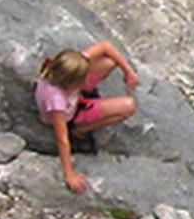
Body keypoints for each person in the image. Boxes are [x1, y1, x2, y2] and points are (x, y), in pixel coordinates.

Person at [34, 40, 139, 194]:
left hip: (73, 95)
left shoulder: (62, 67)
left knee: (109, 61)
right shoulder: (56, 101)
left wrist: (128, 72)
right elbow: (62, 139)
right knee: (128, 106)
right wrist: (69, 174)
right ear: (72, 82)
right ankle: (80, 129)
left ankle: (83, 101)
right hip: (73, 114)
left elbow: (105, 46)